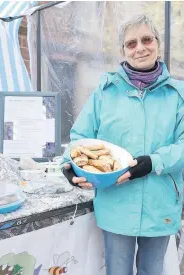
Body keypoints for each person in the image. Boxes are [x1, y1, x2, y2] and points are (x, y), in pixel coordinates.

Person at [62, 14, 184, 275]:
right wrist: (69, 166)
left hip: (159, 201)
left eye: (146, 39)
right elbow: (81, 137)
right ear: (123, 51)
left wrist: (154, 162)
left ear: (158, 44)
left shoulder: (177, 95)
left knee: (153, 270)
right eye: (131, 43)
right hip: (116, 202)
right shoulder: (105, 92)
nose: (140, 47)